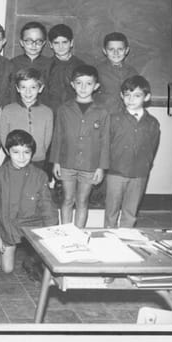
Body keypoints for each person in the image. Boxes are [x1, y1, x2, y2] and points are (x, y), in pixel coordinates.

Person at [0, 130, 58, 273]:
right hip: (7, 225)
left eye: (26, 152)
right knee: (7, 269)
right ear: (8, 152)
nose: (22, 157)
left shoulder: (40, 175)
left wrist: (51, 232)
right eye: (16, 152)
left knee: (46, 263)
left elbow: (47, 206)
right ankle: (1, 251)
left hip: (33, 225)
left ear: (32, 153)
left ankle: (31, 258)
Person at [50, 65, 110, 228]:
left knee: (82, 201)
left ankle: (78, 234)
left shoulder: (102, 112)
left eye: (88, 83)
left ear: (96, 86)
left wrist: (101, 168)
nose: (83, 88)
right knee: (67, 199)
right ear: (72, 84)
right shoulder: (64, 109)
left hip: (90, 165)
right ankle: (66, 233)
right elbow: (58, 136)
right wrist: (56, 162)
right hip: (67, 163)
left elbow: (105, 141)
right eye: (79, 83)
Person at [104, 76, 161, 228]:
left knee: (130, 212)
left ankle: (126, 235)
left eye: (137, 95)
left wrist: (146, 166)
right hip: (116, 173)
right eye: (127, 95)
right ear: (121, 96)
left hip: (139, 174)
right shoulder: (113, 119)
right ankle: (108, 237)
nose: (131, 99)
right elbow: (105, 145)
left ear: (146, 97)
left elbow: (152, 147)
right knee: (111, 211)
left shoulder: (152, 123)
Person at [0, 68, 54, 173]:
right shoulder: (8, 110)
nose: (28, 92)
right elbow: (4, 136)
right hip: (14, 160)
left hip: (38, 161)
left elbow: (47, 140)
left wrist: (39, 154)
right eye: (23, 87)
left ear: (40, 88)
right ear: (17, 88)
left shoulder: (47, 112)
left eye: (33, 87)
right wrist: (14, 155)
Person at [43, 23, 85, 114]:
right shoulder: (46, 67)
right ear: (50, 44)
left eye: (64, 42)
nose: (61, 47)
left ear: (71, 43)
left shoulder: (80, 66)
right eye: (56, 43)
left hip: (74, 113)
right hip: (51, 113)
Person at [96, 32, 139, 115]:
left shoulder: (132, 72)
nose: (116, 53)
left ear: (126, 50)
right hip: (104, 117)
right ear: (104, 51)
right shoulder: (97, 71)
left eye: (120, 49)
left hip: (126, 117)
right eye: (111, 49)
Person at [10, 21, 51, 94]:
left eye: (38, 41)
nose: (34, 45)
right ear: (22, 42)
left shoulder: (51, 64)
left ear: (44, 43)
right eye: (29, 41)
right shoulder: (12, 64)